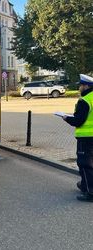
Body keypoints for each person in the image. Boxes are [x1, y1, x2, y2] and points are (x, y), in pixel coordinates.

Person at [63, 74, 93, 202]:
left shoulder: (84, 100)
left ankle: (90, 192)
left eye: (80, 85)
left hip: (86, 138)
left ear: (86, 86)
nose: (79, 87)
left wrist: (66, 118)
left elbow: (78, 121)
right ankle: (85, 185)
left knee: (85, 164)